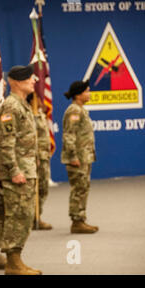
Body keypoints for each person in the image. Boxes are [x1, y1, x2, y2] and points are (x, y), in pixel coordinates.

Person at [0, 64, 41, 275]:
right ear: (15, 82)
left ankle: (17, 260)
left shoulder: (22, 104)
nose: (34, 80)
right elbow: (5, 142)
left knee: (24, 216)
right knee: (17, 216)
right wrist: (14, 170)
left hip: (27, 169)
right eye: (29, 78)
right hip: (18, 173)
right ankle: (13, 263)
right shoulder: (12, 106)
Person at [62, 80, 98, 234]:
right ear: (78, 94)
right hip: (77, 158)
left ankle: (81, 219)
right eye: (87, 91)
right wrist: (73, 156)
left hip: (85, 156)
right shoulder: (74, 111)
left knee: (83, 187)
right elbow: (69, 135)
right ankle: (76, 221)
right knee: (79, 188)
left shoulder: (81, 110)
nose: (89, 93)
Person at [30, 94, 53, 230]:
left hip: (44, 156)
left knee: (43, 188)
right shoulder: (30, 116)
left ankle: (37, 215)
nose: (41, 100)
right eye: (38, 98)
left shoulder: (41, 115)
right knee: (34, 189)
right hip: (36, 157)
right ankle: (32, 218)